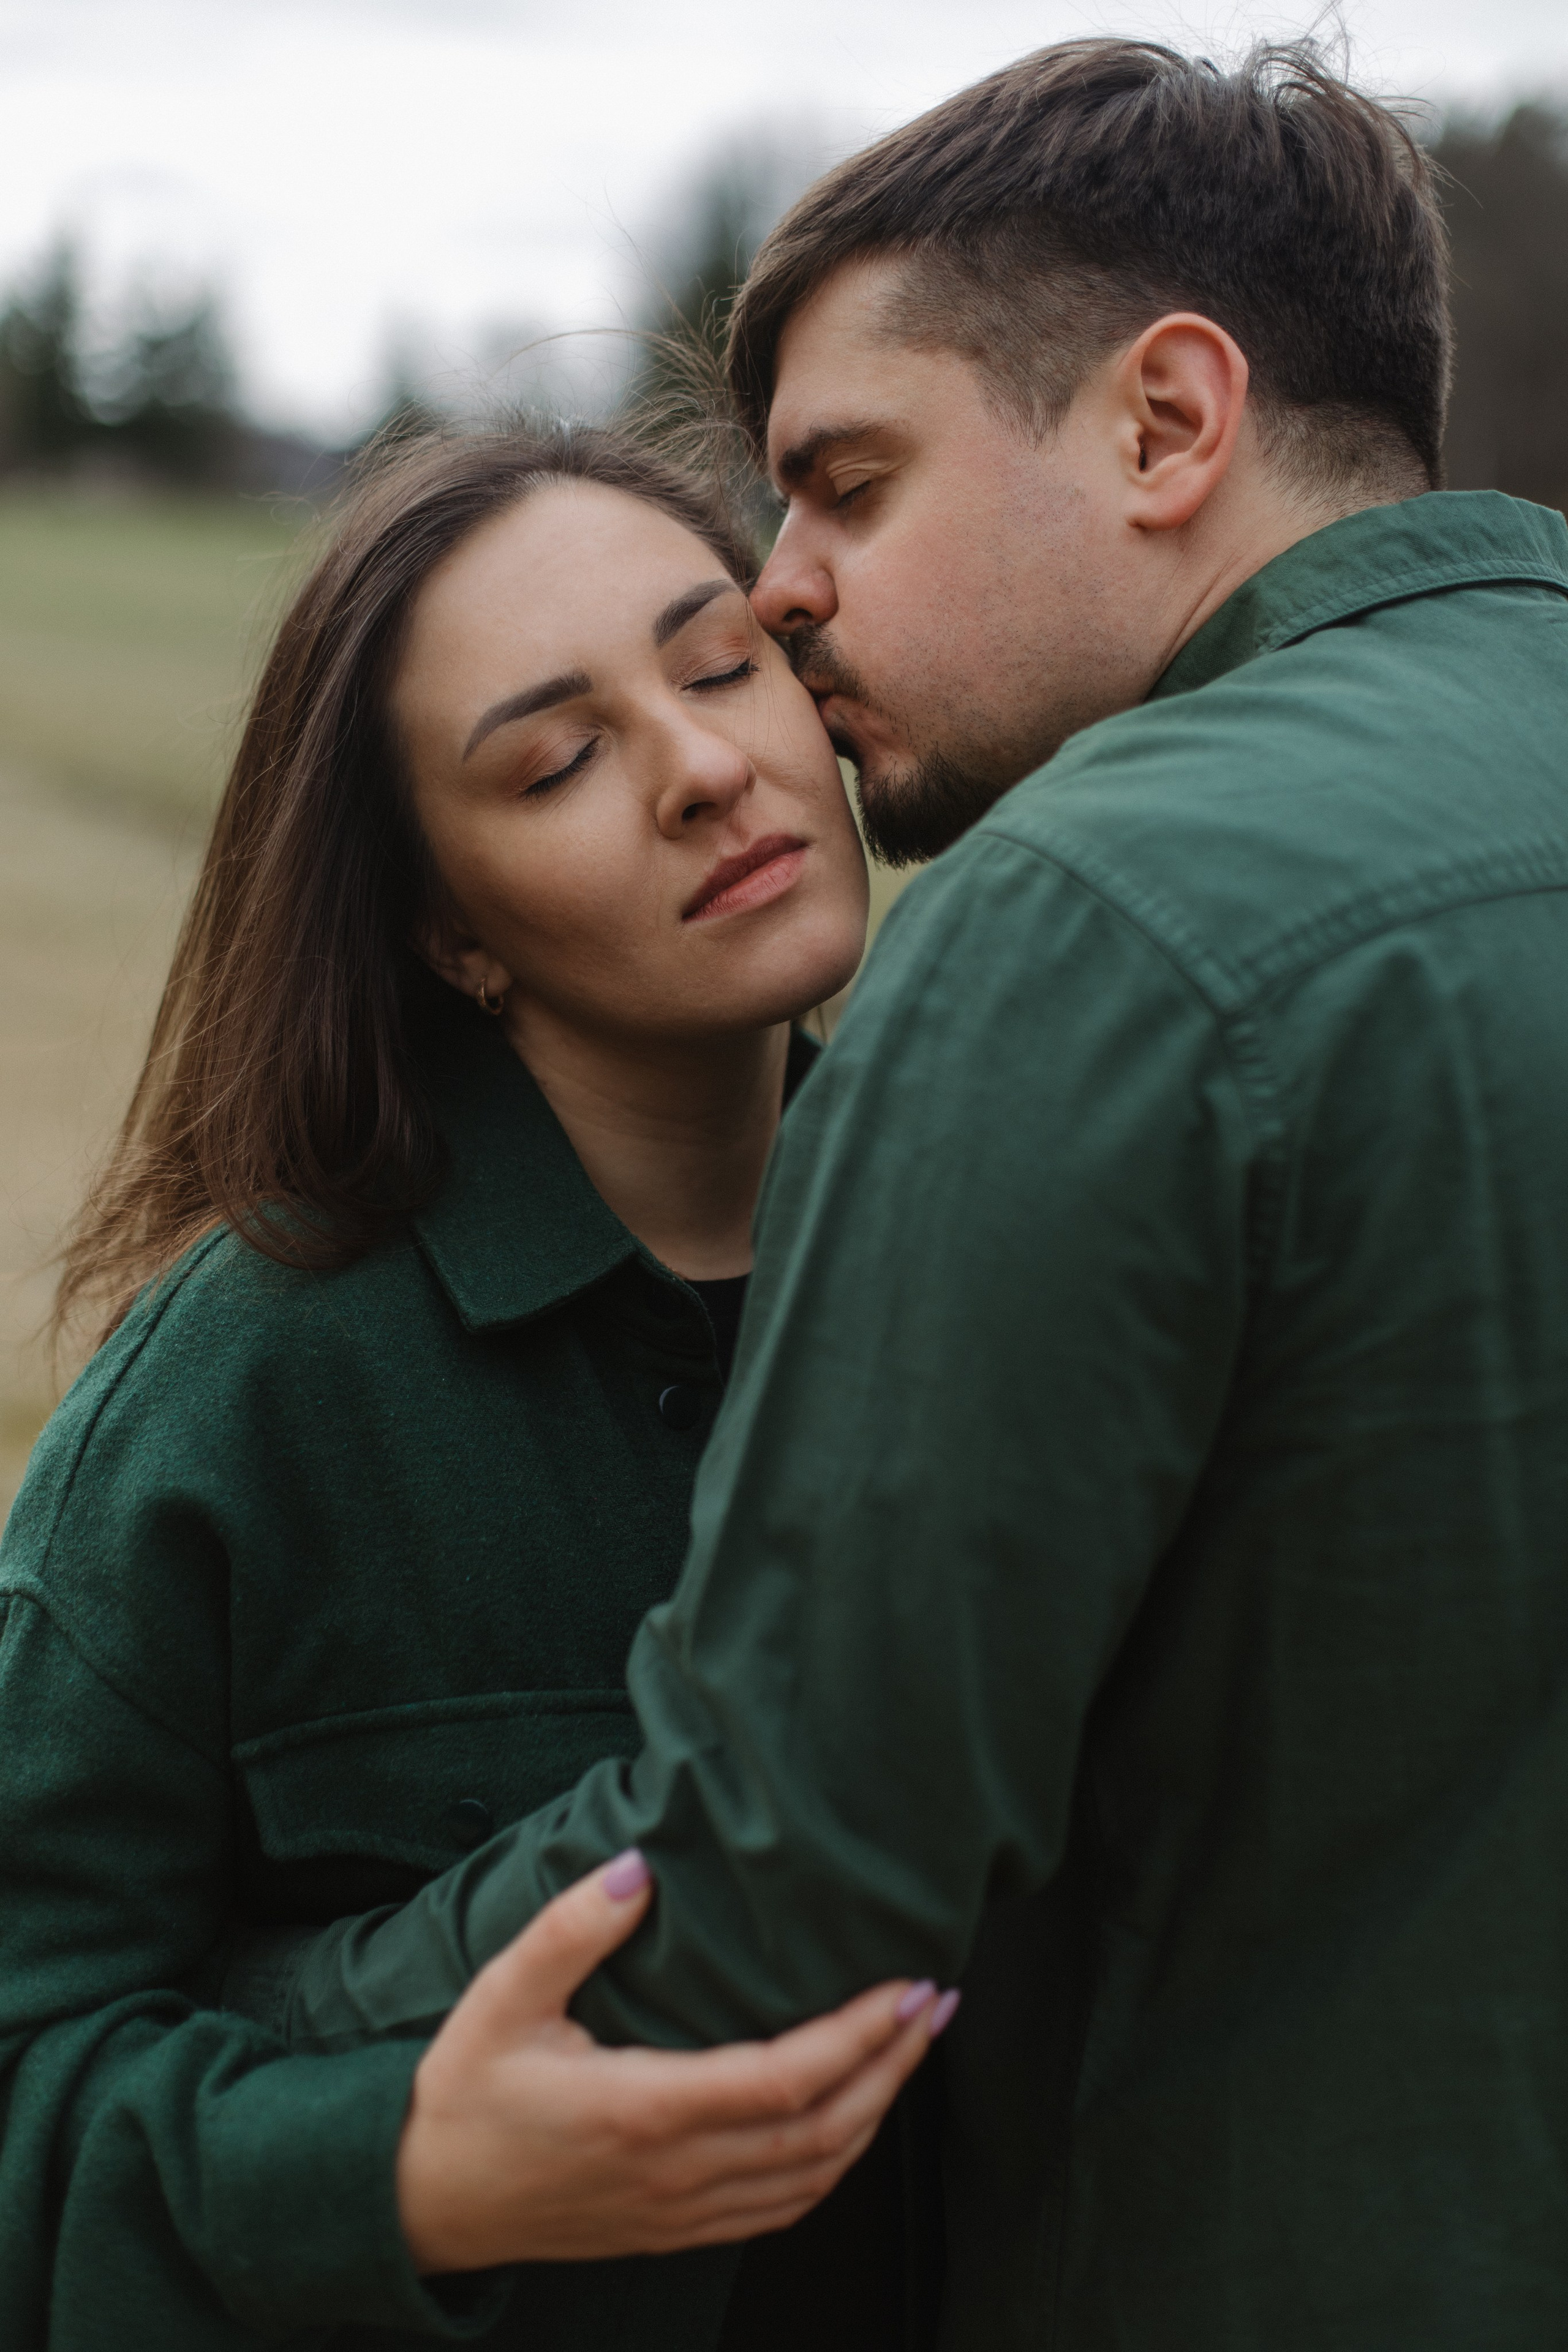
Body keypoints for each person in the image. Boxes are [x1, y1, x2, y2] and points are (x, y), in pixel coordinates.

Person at [241, 34, 1568, 2351]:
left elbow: (779, 1891)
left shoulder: (1102, 920)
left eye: (850, 485)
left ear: (1169, 422)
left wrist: (252, 2039)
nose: (792, 597)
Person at [0, 422, 957, 2351]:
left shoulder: (1035, 1262)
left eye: (717, 666)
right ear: (450, 931)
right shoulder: (244, 1398)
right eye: (559, 757)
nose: (703, 770)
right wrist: (401, 2176)